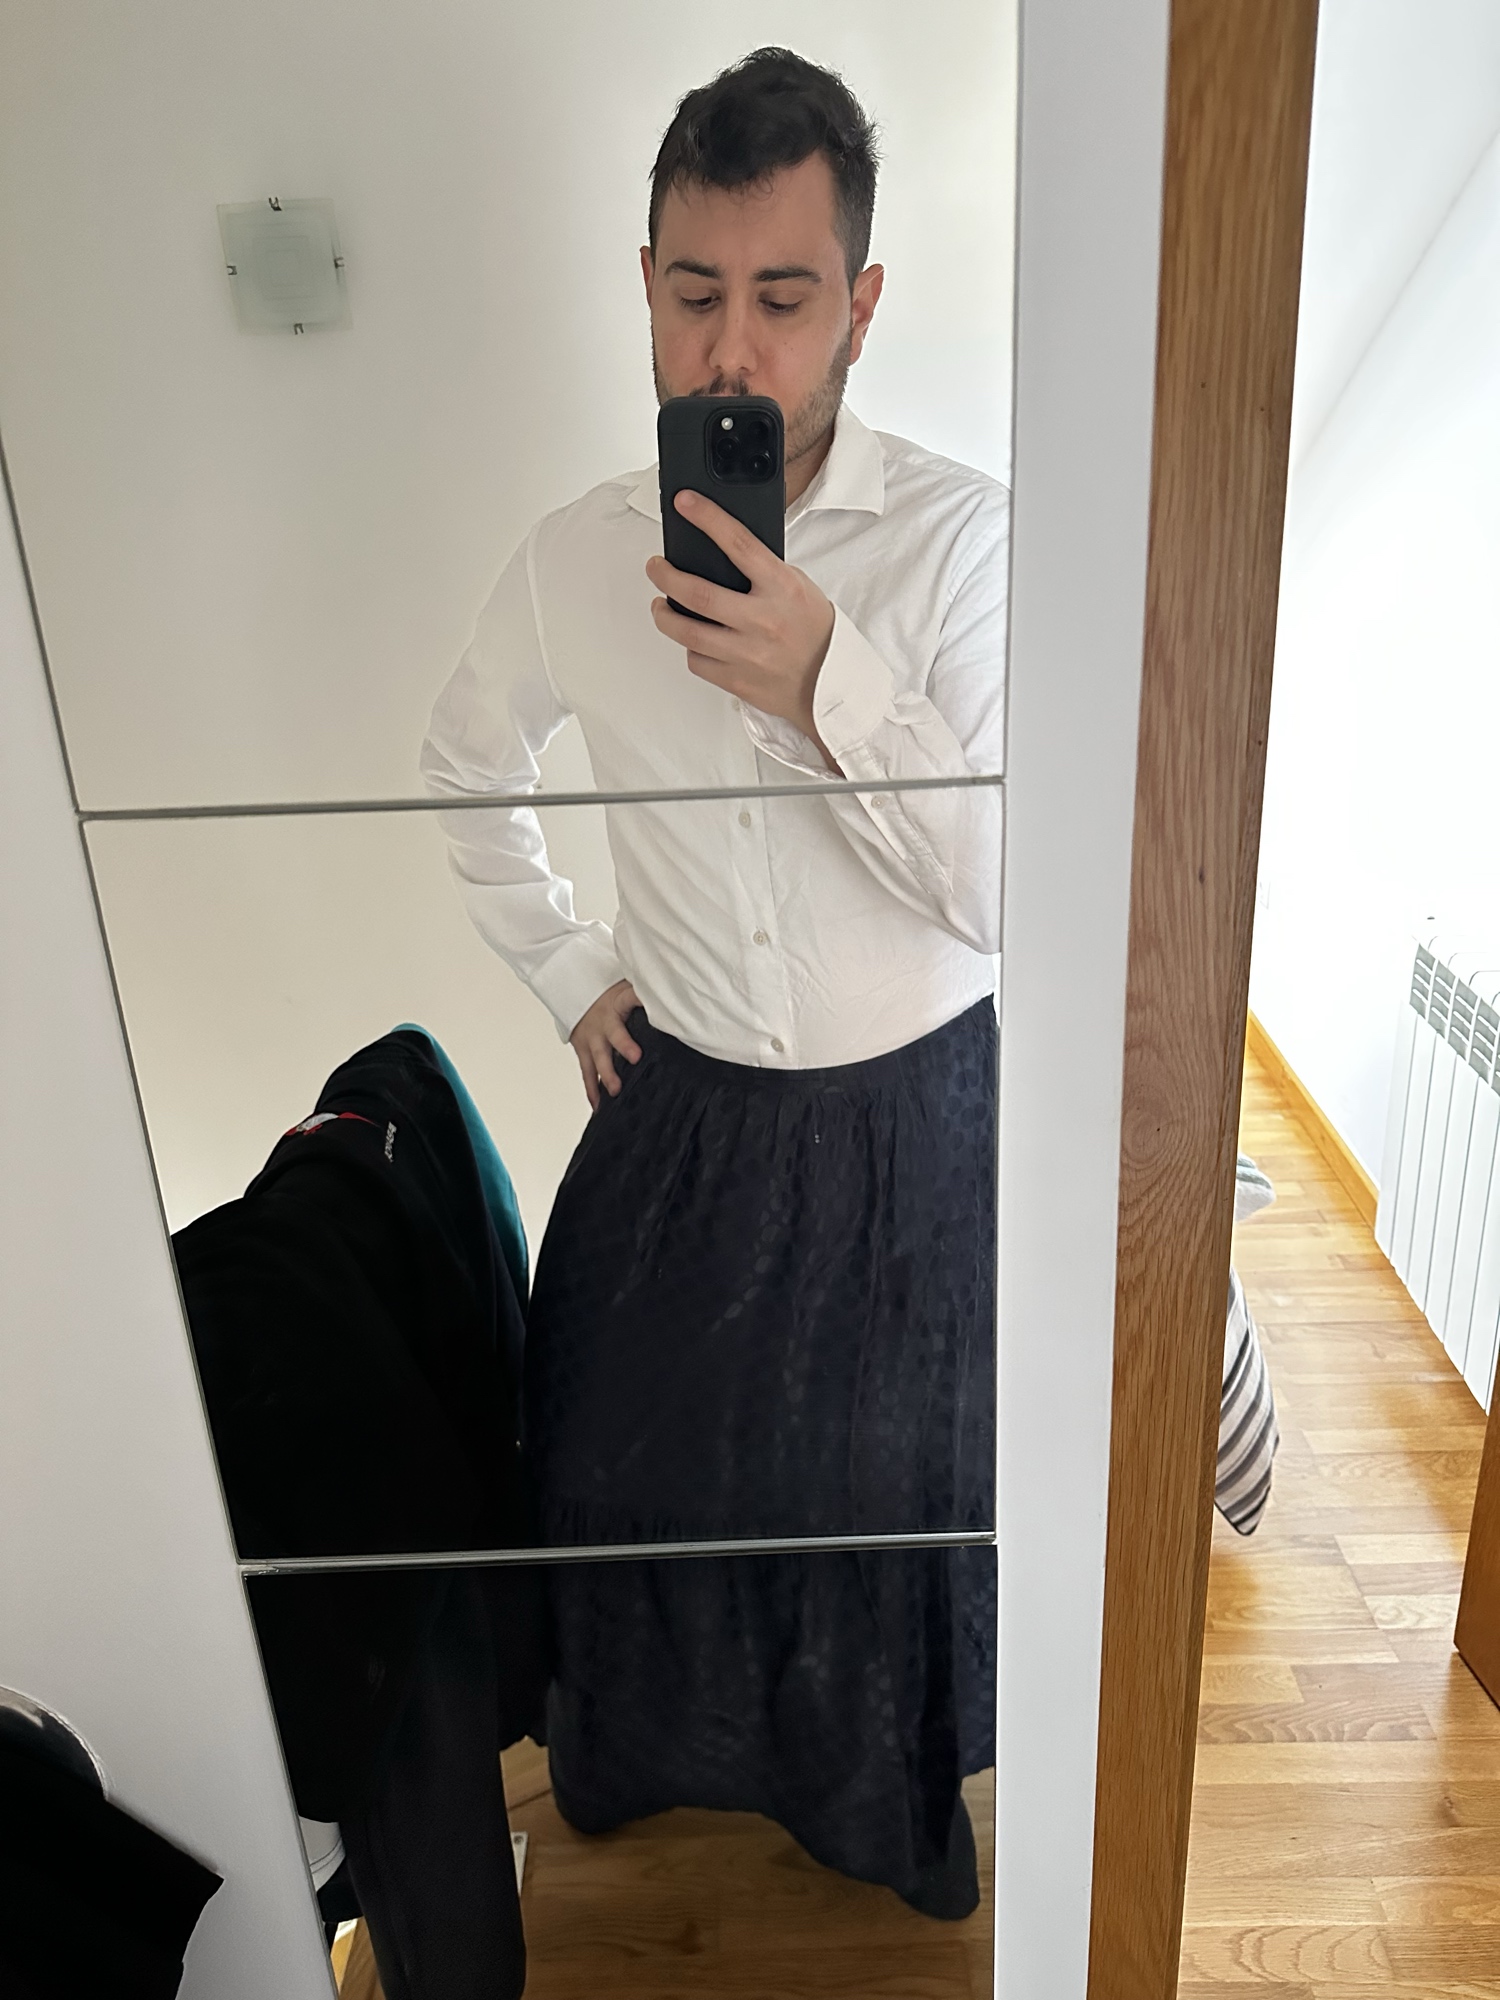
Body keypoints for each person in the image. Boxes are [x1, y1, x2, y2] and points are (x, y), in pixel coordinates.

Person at [421, 46, 1007, 1918]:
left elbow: (1006, 893)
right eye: (694, 295)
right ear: (645, 286)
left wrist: (829, 684)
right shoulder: (579, 559)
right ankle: (630, 1760)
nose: (732, 352)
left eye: (783, 297)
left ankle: (882, 1814)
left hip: (921, 1114)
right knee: (618, 1464)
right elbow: (464, 766)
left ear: (862, 306)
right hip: (683, 1115)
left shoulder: (966, 547)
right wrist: (568, 965)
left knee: (886, 1511)